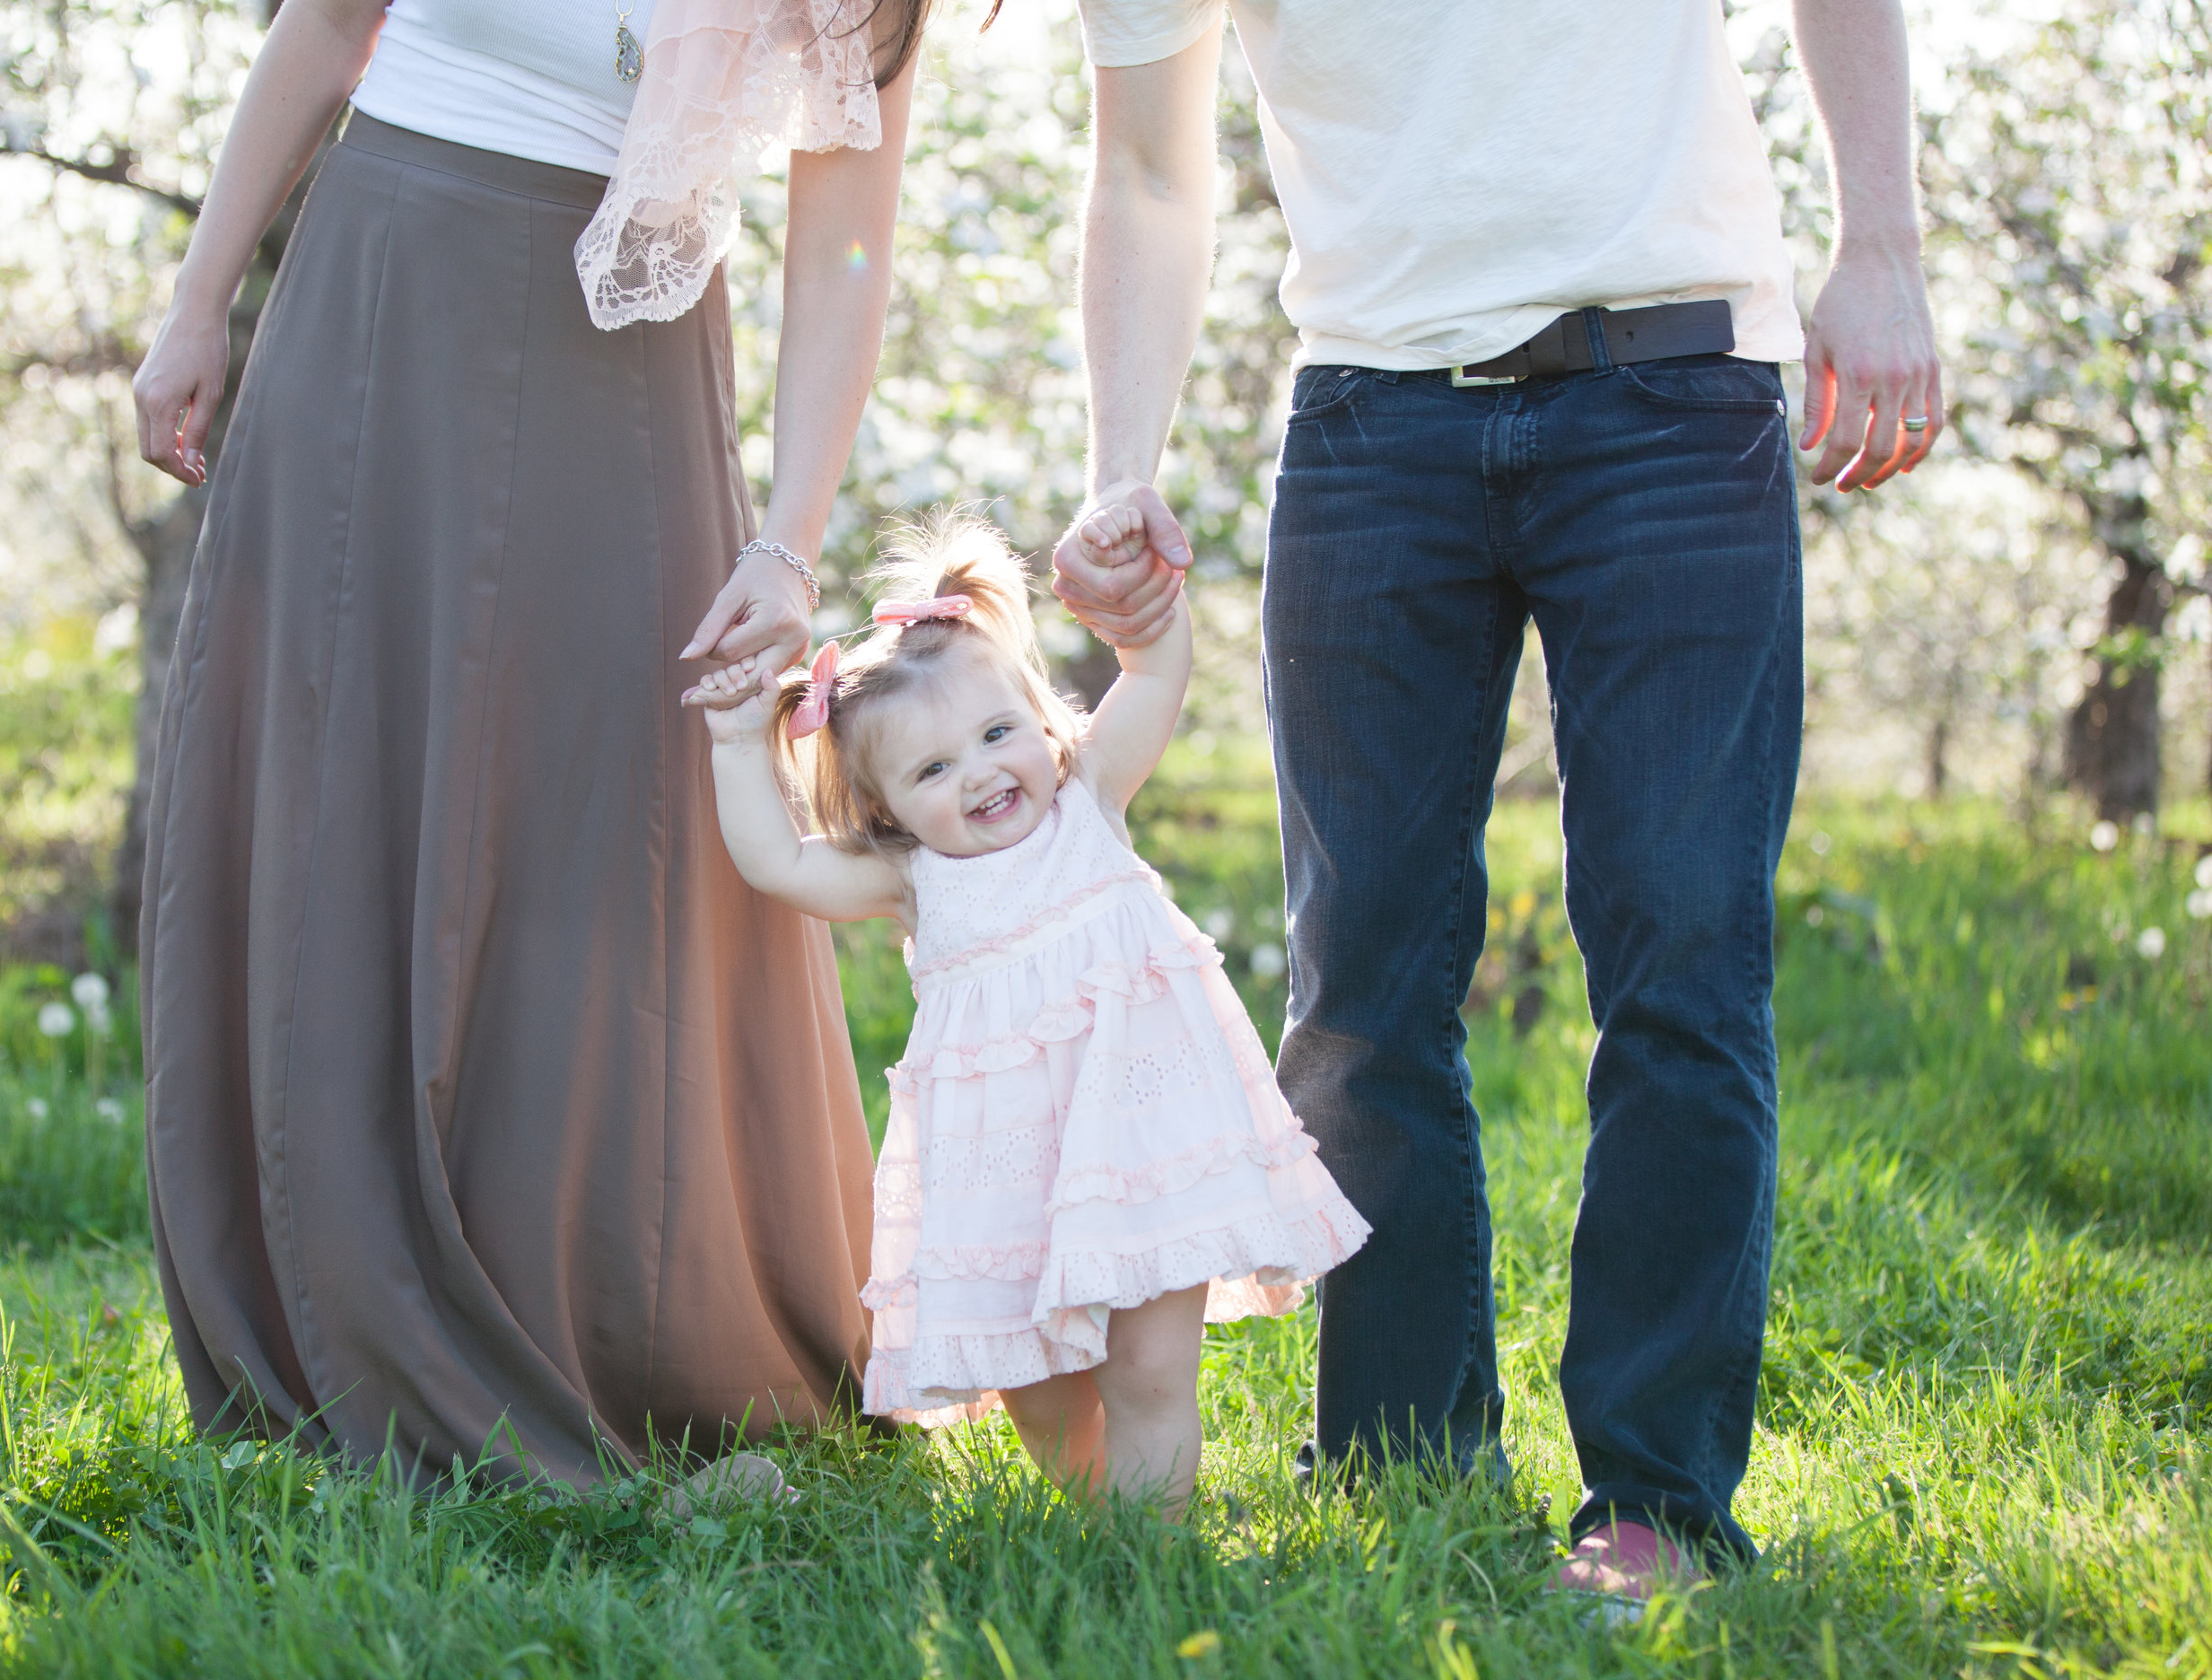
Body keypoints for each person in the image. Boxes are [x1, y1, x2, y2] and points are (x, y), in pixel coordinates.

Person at [1046, 0, 1942, 1598]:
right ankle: (1401, 1471)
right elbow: (1149, 175)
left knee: (1681, 957)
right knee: (1360, 983)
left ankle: (1657, 1504)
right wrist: (1122, 461)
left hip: (1674, 387)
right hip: (1368, 420)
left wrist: (1879, 241)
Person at [127, 0, 928, 1488]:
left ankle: (617, 1320)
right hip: (377, 302)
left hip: (626, 359)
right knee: (343, 776)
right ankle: (331, 1290)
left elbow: (845, 244)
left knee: (608, 817)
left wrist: (789, 545)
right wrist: (196, 307)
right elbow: (324, 34)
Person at [681, 512, 1368, 1513]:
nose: (980, 774)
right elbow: (777, 862)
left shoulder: (1089, 800)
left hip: (1142, 1152)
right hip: (1001, 1182)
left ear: (1043, 723)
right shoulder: (914, 879)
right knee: (1039, 1400)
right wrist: (740, 741)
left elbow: (1153, 676)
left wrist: (1142, 600)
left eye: (997, 734)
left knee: (1146, 1371)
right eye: (933, 770)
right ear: (887, 811)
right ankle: (1096, 1519)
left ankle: (1154, 1553)